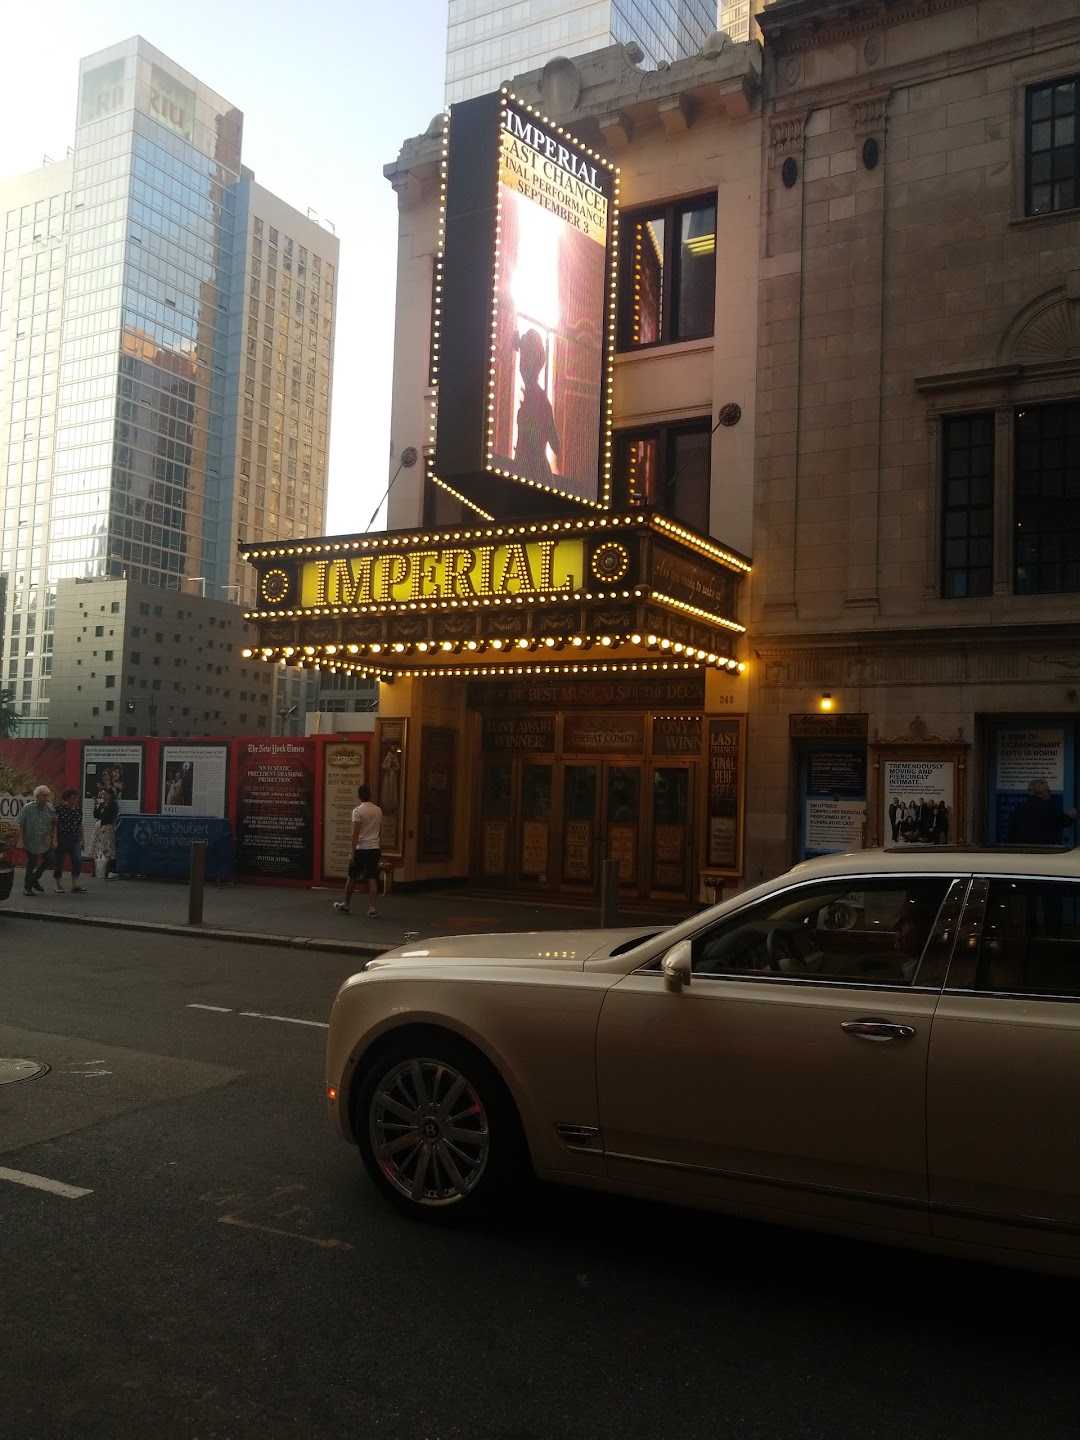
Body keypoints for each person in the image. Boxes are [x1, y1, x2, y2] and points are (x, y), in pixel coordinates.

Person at [512, 329, 559, 484]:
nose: (520, 366)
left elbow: (555, 443)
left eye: (524, 359)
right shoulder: (537, 399)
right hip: (528, 473)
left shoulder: (539, 401)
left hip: (534, 475)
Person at [334, 783, 384, 918]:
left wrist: (352, 852)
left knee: (352, 876)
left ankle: (346, 904)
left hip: (361, 848)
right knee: (372, 878)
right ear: (370, 795)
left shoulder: (357, 811)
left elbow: (355, 833)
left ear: (359, 796)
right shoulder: (378, 810)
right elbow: (379, 830)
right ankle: (373, 908)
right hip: (374, 848)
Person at [1008, 777, 1078, 844]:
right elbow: (1065, 821)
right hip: (1046, 850)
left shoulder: (1020, 808)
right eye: (1049, 791)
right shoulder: (1052, 807)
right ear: (1042, 792)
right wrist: (1071, 816)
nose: (1050, 793)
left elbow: (1012, 832)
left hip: (1023, 851)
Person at [17, 785, 56, 897]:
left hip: (44, 839)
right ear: (37, 796)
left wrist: (55, 839)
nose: (46, 798)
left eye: (47, 795)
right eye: (43, 796)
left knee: (49, 860)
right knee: (31, 863)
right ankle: (27, 888)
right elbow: (21, 824)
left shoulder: (50, 808)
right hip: (30, 839)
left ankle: (34, 878)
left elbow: (54, 824)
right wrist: (20, 841)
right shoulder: (28, 808)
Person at [53, 787, 86, 893]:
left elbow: (80, 825)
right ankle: (58, 884)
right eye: (73, 798)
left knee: (77, 860)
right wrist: (54, 839)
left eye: (77, 798)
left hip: (74, 837)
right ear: (67, 798)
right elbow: (54, 825)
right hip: (62, 836)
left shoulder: (78, 811)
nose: (75, 800)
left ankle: (75, 884)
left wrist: (82, 840)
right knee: (59, 861)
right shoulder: (58, 809)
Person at [91, 786, 119, 879]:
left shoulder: (113, 805)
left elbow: (109, 817)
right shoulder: (102, 804)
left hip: (107, 828)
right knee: (97, 847)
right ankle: (96, 870)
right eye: (102, 794)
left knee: (107, 848)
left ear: (110, 795)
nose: (103, 796)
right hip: (99, 827)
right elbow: (96, 815)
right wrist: (96, 806)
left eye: (105, 794)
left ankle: (109, 870)